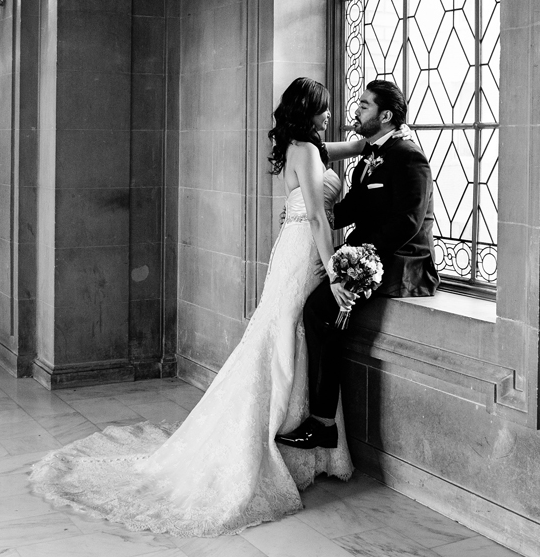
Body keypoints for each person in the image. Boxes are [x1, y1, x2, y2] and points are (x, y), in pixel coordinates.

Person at [29, 77, 355, 537]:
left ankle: (300, 437)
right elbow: (319, 217)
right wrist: (334, 271)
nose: (329, 115)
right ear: (308, 112)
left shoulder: (306, 147)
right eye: (323, 109)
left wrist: (365, 142)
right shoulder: (306, 150)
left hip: (294, 247)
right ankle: (268, 436)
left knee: (285, 332)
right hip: (304, 249)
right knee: (281, 335)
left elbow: (332, 153)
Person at [276, 79, 439, 450]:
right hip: (362, 256)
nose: (355, 110)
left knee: (320, 311)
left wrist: (360, 260)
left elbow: (408, 223)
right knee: (318, 309)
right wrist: (303, 213)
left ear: (385, 115)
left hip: (399, 265)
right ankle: (318, 418)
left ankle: (322, 424)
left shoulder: (407, 156)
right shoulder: (371, 154)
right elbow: (351, 208)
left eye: (364, 105)